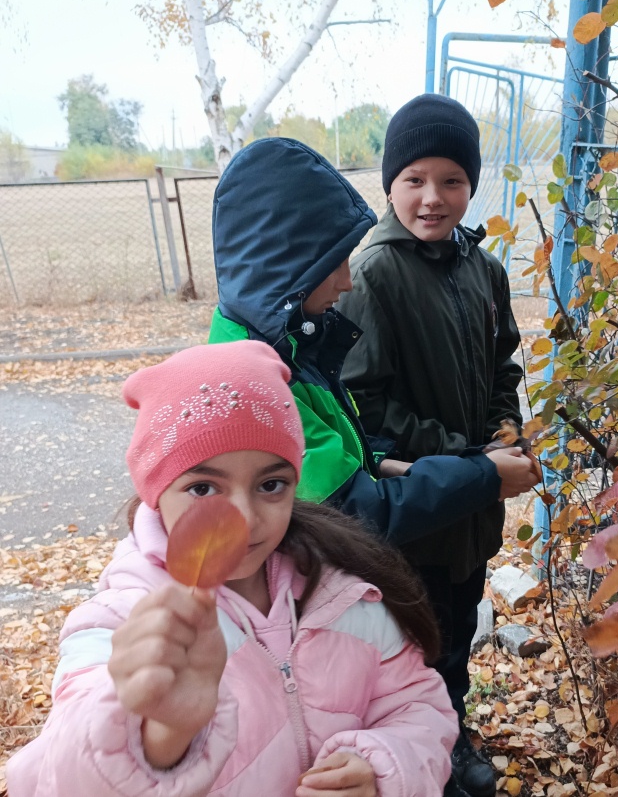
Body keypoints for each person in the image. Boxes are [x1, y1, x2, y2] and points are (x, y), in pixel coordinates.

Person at [6, 341, 459, 797]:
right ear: (155, 491)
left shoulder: (345, 592)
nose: (243, 516)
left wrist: (382, 767)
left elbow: (417, 708)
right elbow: (55, 776)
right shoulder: (123, 621)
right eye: (203, 488)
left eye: (271, 484)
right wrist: (161, 734)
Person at [338, 93, 536, 797]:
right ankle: (418, 756)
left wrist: (503, 432)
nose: (433, 197)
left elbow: (502, 367)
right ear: (389, 184)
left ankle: (449, 731)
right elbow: (367, 408)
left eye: (451, 180)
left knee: (459, 625)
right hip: (414, 510)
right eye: (415, 179)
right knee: (413, 645)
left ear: (471, 184)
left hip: (472, 510)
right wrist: (467, 457)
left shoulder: (484, 272)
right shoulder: (373, 275)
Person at [207, 137, 538, 555]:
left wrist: (389, 464)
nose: (346, 282)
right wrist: (481, 476)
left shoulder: (290, 346)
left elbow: (345, 451)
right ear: (288, 267)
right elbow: (349, 509)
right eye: (334, 264)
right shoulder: (255, 383)